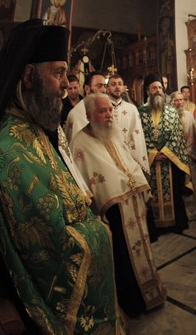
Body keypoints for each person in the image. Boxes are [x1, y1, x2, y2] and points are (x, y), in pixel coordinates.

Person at [0, 19, 123, 334]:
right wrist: (99, 232)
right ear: (29, 76)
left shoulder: (31, 126)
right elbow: (50, 249)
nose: (66, 85)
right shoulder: (11, 150)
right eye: (58, 73)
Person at [71, 93, 167, 317]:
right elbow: (85, 179)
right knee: (123, 257)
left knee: (142, 249)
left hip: (132, 201)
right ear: (89, 115)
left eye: (110, 110)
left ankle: (150, 293)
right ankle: (132, 302)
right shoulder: (79, 143)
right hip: (112, 210)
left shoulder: (112, 133)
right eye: (102, 111)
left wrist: (139, 183)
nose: (108, 115)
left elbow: (127, 161)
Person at [138, 74, 192, 235]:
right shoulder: (140, 112)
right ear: (147, 91)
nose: (158, 91)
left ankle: (175, 224)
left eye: (160, 87)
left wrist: (167, 151)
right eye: (154, 87)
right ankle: (156, 226)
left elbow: (177, 134)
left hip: (170, 161)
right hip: (150, 163)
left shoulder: (171, 111)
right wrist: (153, 153)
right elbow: (139, 137)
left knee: (174, 193)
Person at [171, 90, 196, 221]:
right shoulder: (169, 117)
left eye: (181, 100)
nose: (179, 102)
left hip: (190, 155)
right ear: (172, 102)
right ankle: (183, 214)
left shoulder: (189, 115)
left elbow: (194, 134)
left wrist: (189, 150)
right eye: (176, 100)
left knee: (193, 183)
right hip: (176, 158)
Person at [106, 74, 149, 173]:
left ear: (123, 87)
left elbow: (137, 136)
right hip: (108, 157)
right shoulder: (102, 108)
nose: (117, 87)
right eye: (113, 84)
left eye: (119, 84)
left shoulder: (131, 109)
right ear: (107, 88)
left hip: (129, 157)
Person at [64, 71, 108, 142]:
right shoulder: (76, 114)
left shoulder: (108, 109)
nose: (103, 90)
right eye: (99, 86)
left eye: (105, 86)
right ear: (87, 89)